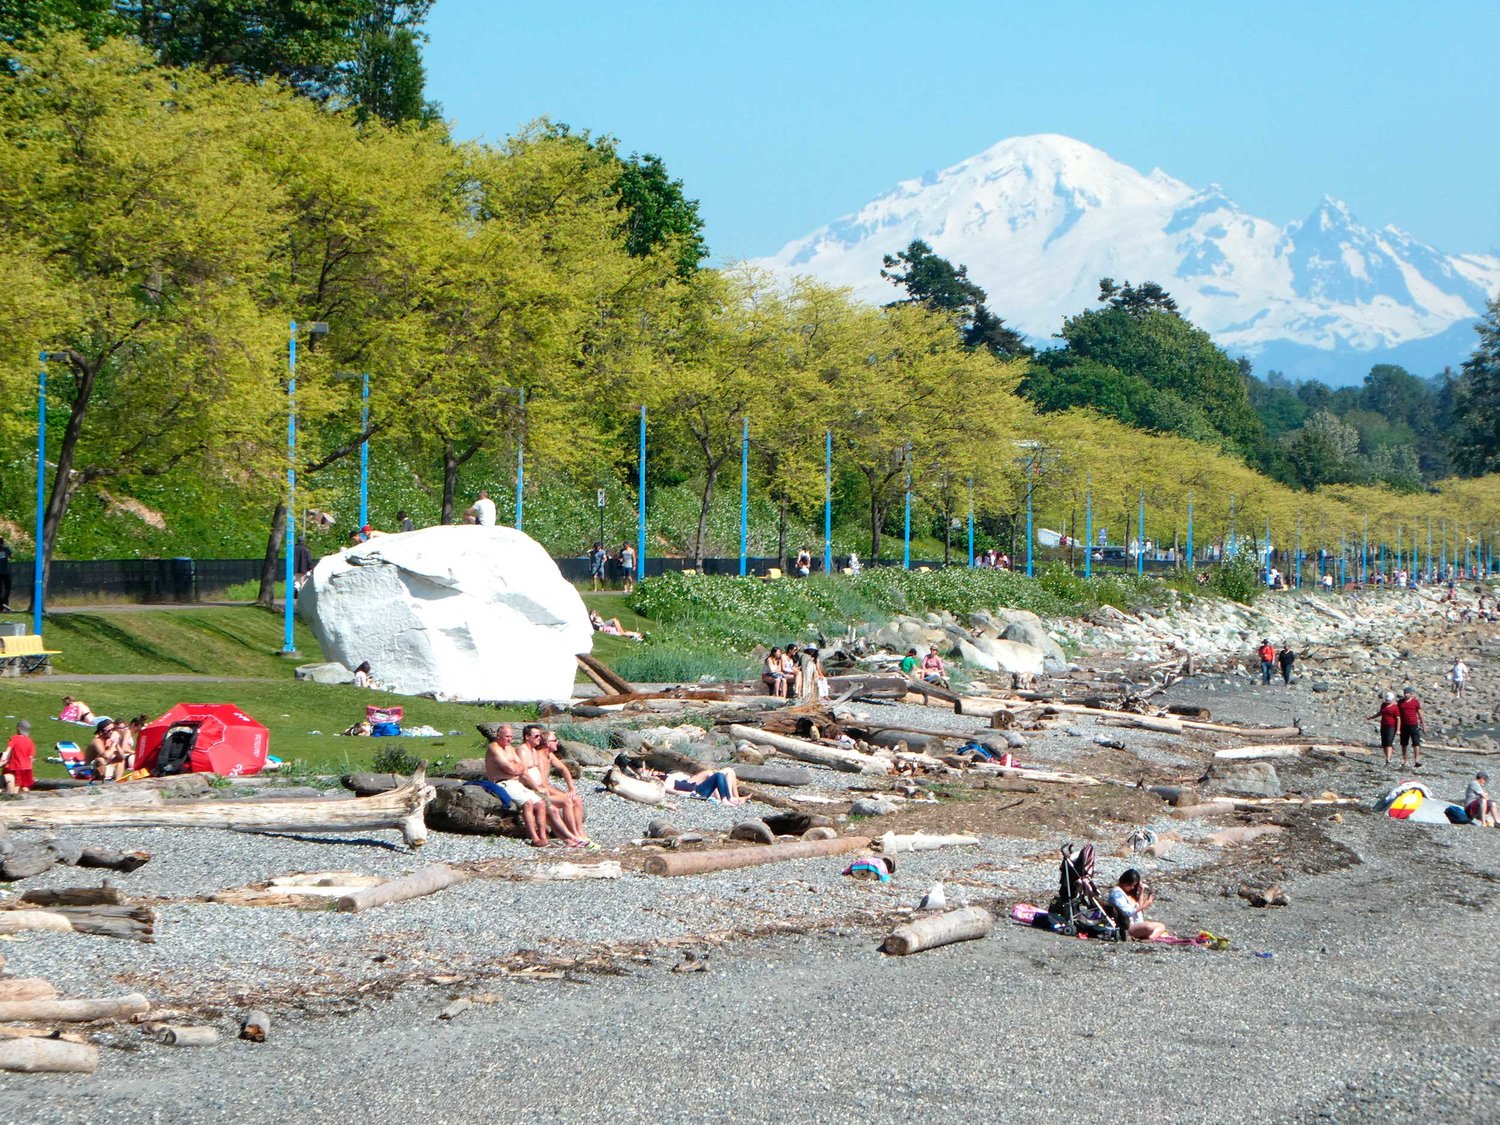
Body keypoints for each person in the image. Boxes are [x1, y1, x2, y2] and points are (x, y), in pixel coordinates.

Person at [478, 724, 548, 847]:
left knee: (541, 804)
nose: (509, 739)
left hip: (515, 782)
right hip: (502, 783)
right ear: (498, 735)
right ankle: (534, 837)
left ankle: (543, 836)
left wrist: (515, 769)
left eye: (510, 736)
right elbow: (509, 768)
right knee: (528, 803)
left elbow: (521, 766)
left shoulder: (509, 748)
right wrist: (514, 769)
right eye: (506, 736)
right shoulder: (494, 748)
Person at [520, 725, 586, 847]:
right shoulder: (537, 755)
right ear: (547, 743)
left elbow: (563, 769)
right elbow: (528, 776)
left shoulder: (549, 755)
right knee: (565, 801)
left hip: (547, 788)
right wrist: (539, 788)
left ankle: (580, 832)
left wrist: (571, 787)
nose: (557, 742)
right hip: (539, 790)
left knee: (576, 799)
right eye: (555, 740)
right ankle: (573, 834)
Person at [1108, 869, 1166, 941]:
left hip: (1137, 923)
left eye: (1134, 886)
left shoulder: (1128, 893)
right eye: (1131, 885)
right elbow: (1128, 912)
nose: (1132, 888)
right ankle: (1147, 936)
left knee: (1161, 926)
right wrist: (1146, 905)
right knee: (1149, 926)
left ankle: (1149, 937)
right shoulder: (1116, 893)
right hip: (1126, 925)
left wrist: (1141, 891)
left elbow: (1138, 908)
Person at [661, 765, 749, 805]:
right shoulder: (666, 784)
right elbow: (675, 792)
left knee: (720, 775)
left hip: (698, 788)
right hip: (697, 791)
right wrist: (691, 795)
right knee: (718, 775)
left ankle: (729, 798)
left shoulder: (671, 779)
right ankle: (725, 799)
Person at [1, 719, 35, 793]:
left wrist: (3, 761)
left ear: (18, 729)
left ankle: (14, 800)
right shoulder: (30, 741)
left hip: (16, 767)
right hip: (27, 769)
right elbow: (31, 758)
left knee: (15, 786)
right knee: (25, 787)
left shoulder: (14, 739)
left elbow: (7, 752)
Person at [1368, 691, 1401, 767]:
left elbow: (1398, 718)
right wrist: (1371, 717)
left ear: (1392, 699)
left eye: (1388, 700)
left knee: (1389, 742)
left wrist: (1398, 729)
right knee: (1384, 744)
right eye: (1386, 700)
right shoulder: (1383, 705)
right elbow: (1380, 713)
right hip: (1383, 726)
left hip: (1391, 727)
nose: (1387, 701)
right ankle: (1388, 757)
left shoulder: (1395, 707)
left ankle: (1388, 760)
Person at [1397, 686, 1423, 769]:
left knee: (1416, 743)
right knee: (1404, 744)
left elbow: (1419, 712)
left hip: (1413, 724)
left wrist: (1423, 724)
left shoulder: (1415, 702)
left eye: (1407, 693)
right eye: (1405, 693)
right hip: (1403, 725)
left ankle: (1417, 760)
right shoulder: (1400, 702)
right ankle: (1405, 760)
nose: (1406, 694)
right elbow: (1397, 714)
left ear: (1411, 694)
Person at [0, 535, 11, 611]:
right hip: (5, 572)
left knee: (1, 590)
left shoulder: (6, 549)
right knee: (7, 588)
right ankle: (5, 603)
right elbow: (11, 556)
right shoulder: (6, 549)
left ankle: (2, 605)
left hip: (3, 572)